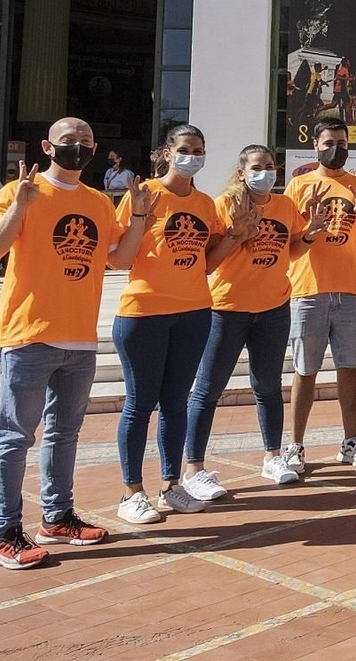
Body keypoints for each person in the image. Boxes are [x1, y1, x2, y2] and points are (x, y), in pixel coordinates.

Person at [0, 118, 149, 569]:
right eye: (68, 142)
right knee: (14, 437)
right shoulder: (22, 192)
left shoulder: (96, 201)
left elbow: (120, 259)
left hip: (78, 338)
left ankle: (56, 517)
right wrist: (19, 205)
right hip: (28, 334)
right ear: (47, 147)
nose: (77, 148)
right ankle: (3, 532)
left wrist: (137, 216)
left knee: (64, 434)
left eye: (85, 142)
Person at [185, 146, 324, 494]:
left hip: (274, 308)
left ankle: (272, 457)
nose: (266, 173)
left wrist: (309, 234)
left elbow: (291, 251)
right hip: (227, 309)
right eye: (257, 167)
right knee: (207, 389)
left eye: (270, 167)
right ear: (243, 172)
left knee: (268, 386)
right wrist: (237, 235)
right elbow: (209, 261)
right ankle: (193, 468)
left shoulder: (284, 206)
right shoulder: (225, 206)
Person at [112, 124, 232, 524]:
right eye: (184, 148)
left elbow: (208, 261)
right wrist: (140, 218)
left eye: (198, 149)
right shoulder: (144, 195)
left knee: (176, 402)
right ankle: (132, 493)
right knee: (139, 403)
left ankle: (170, 486)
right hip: (144, 313)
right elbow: (120, 258)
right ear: (166, 152)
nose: (191, 155)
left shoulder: (205, 204)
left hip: (195, 312)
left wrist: (237, 236)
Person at [284, 117, 356, 473]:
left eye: (341, 142)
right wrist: (310, 227)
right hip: (308, 290)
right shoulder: (298, 187)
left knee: (349, 369)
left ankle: (351, 441)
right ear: (315, 144)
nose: (335, 148)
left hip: (352, 291)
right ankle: (295, 445)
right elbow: (289, 242)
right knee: (304, 371)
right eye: (328, 142)